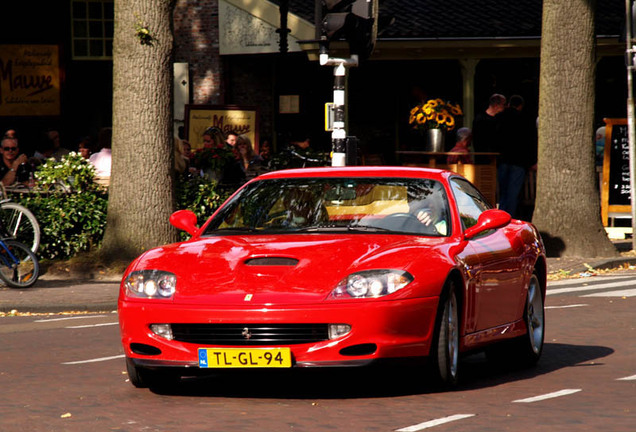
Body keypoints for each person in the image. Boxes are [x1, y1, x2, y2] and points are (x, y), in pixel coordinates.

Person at [495, 95, 537, 219]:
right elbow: (529, 142)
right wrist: (531, 161)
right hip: (518, 162)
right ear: (520, 106)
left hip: (503, 160)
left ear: (509, 104)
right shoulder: (525, 120)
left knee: (503, 193)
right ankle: (510, 219)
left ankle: (500, 218)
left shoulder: (499, 118)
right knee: (513, 194)